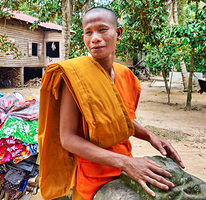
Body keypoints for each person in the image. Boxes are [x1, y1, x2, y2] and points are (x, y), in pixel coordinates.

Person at [38, 7, 185, 200]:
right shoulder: (75, 77)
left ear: (119, 33)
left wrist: (151, 136)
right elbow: (68, 138)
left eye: (102, 29)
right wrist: (126, 163)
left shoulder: (127, 76)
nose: (95, 38)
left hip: (125, 166)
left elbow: (119, 120)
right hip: (92, 175)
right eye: (88, 32)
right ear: (83, 38)